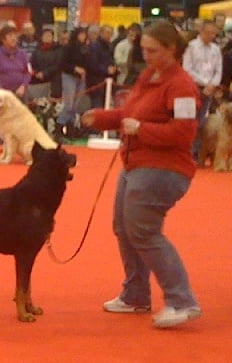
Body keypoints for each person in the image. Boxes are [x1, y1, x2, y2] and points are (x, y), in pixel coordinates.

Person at [81, 20, 202, 329]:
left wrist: (143, 129)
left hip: (164, 170)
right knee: (124, 228)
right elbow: (128, 115)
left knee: (145, 232)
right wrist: (100, 118)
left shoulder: (183, 85)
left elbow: (185, 134)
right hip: (136, 164)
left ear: (171, 49)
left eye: (152, 50)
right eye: (143, 49)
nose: (145, 55)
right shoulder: (150, 76)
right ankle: (135, 295)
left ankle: (181, 301)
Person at [182, 20, 222, 161]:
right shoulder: (191, 47)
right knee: (189, 122)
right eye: (209, 33)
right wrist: (204, 83)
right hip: (192, 88)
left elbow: (218, 70)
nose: (211, 36)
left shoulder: (216, 49)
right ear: (201, 31)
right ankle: (187, 152)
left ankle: (198, 152)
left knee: (202, 122)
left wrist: (212, 84)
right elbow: (187, 69)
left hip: (209, 90)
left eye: (214, 33)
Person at [56, 27, 88, 141]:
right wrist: (75, 68)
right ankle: (58, 128)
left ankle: (70, 130)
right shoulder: (68, 48)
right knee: (68, 105)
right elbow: (62, 64)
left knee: (75, 106)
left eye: (84, 34)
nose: (83, 37)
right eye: (81, 34)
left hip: (81, 78)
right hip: (69, 76)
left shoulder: (85, 48)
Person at [0, 24, 31, 101]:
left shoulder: (23, 53)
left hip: (21, 92)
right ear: (3, 39)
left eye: (15, 35)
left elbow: (28, 72)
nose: (13, 38)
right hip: (4, 93)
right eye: (10, 35)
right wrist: (1, 89)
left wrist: (23, 86)